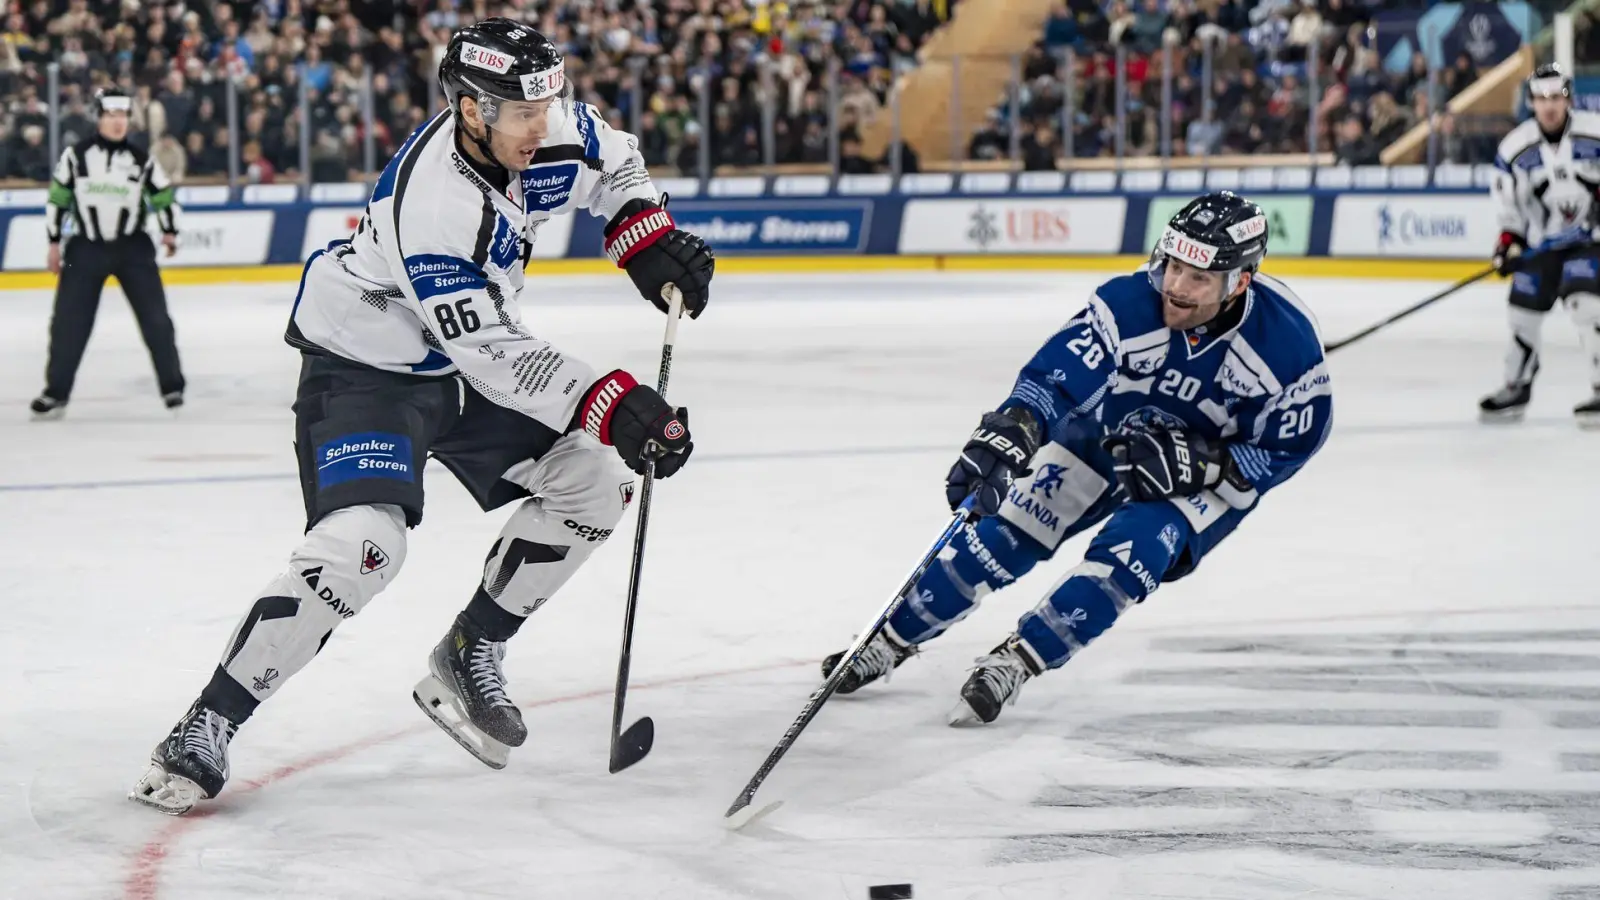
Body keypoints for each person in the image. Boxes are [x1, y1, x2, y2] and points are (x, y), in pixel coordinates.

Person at [130, 19, 715, 815]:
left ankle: (472, 649)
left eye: (548, 103)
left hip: (461, 361)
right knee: (362, 546)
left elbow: (613, 159)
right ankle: (207, 723)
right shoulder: (432, 205)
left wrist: (645, 235)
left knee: (596, 484)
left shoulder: (543, 125)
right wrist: (611, 401)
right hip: (369, 368)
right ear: (471, 111)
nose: (540, 126)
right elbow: (491, 353)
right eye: (520, 113)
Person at [822, 192, 1333, 725]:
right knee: (1007, 531)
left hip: (1197, 474)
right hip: (1107, 433)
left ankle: (1016, 663)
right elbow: (1058, 377)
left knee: (1129, 560)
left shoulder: (1289, 348)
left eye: (1198, 279)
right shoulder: (1128, 304)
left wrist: (1208, 464)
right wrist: (1012, 430)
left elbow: (1294, 443)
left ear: (1240, 282)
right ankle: (891, 638)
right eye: (1173, 266)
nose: (1177, 288)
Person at [32, 87, 184, 418]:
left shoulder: (142, 159)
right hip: (85, 247)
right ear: (99, 117)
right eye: (111, 116)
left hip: (133, 247)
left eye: (123, 116)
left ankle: (173, 387)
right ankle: (55, 392)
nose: (117, 123)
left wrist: (170, 233)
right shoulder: (76, 156)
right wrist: (54, 243)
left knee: (157, 321)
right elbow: (58, 200)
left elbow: (163, 196)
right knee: (68, 324)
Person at [1481, 64, 1600, 426]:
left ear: (1568, 98)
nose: (1549, 106)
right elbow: (1508, 208)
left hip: (1590, 242)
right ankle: (1516, 385)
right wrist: (1508, 243)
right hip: (1542, 245)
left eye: (1555, 97)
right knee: (1522, 312)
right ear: (1530, 101)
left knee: (1586, 305)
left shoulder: (1595, 132)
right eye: (1540, 98)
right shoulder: (1515, 149)